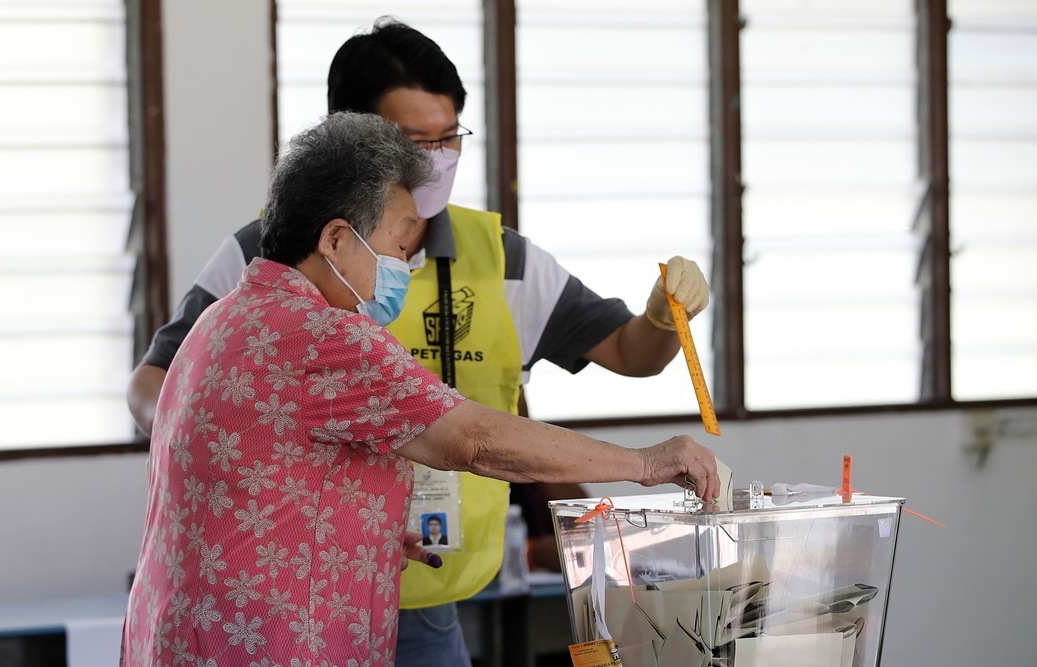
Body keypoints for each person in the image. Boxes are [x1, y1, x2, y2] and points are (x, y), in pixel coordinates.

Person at [126, 18, 713, 666]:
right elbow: (473, 439)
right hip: (278, 634)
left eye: (447, 139)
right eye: (396, 241)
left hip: (221, 620)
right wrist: (646, 463)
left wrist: (347, 519)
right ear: (337, 237)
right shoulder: (321, 330)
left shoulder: (235, 313)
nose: (405, 258)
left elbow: (266, 452)